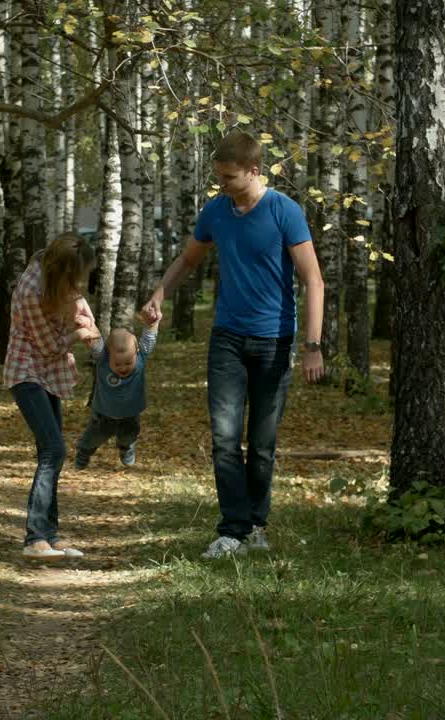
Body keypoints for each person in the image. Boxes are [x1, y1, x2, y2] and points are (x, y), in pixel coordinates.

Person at [142, 130, 325, 560]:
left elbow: (313, 281)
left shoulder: (285, 212)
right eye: (218, 178)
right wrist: (159, 293)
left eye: (228, 177)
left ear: (254, 171)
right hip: (226, 339)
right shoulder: (216, 212)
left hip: (274, 342)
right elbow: (189, 259)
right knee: (225, 439)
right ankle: (232, 530)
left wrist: (313, 345)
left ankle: (256, 527)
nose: (222, 185)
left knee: (262, 443)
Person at [3, 232, 100, 560]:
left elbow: (75, 301)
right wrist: (78, 334)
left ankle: (50, 534)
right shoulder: (32, 290)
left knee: (51, 451)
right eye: (78, 276)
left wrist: (84, 315)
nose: (81, 283)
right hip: (27, 372)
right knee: (54, 450)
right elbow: (48, 347)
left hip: (49, 374)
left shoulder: (57, 272)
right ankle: (35, 538)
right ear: (64, 270)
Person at [72, 307, 161, 470]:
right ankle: (84, 453)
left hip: (131, 413)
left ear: (136, 353)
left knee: (129, 436)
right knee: (93, 437)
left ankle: (126, 449)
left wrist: (152, 323)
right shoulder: (102, 361)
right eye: (118, 364)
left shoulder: (140, 359)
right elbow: (96, 340)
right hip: (104, 414)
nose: (123, 367)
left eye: (128, 362)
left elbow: (149, 338)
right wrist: (87, 325)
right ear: (107, 356)